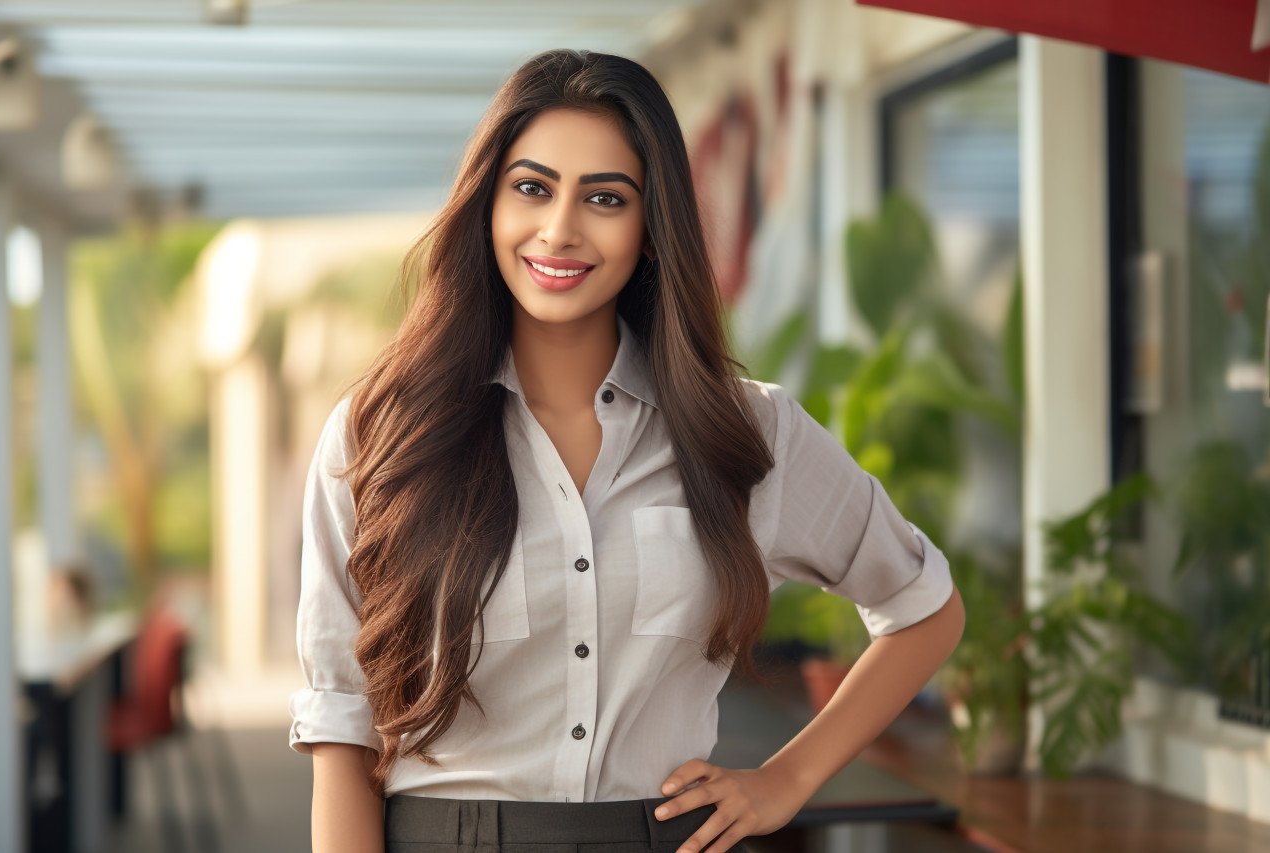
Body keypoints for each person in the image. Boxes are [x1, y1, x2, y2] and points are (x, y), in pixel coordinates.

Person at [289, 49, 964, 853]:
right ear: (488, 207)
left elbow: (924, 606)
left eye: (605, 198)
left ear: (650, 230)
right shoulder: (379, 437)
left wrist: (788, 778)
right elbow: (343, 736)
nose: (560, 228)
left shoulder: (746, 434)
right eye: (532, 188)